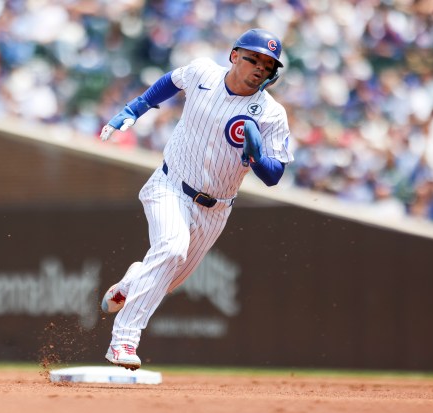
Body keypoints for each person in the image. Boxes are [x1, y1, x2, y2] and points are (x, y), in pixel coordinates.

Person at [99, 28, 294, 370]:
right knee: (172, 249)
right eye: (254, 58)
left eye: (268, 64)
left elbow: (274, 176)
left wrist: (256, 158)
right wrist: (134, 108)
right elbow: (171, 81)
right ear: (235, 56)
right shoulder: (203, 72)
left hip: (216, 208)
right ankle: (123, 342)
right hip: (170, 185)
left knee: (167, 279)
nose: (260, 67)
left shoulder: (271, 114)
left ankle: (133, 281)